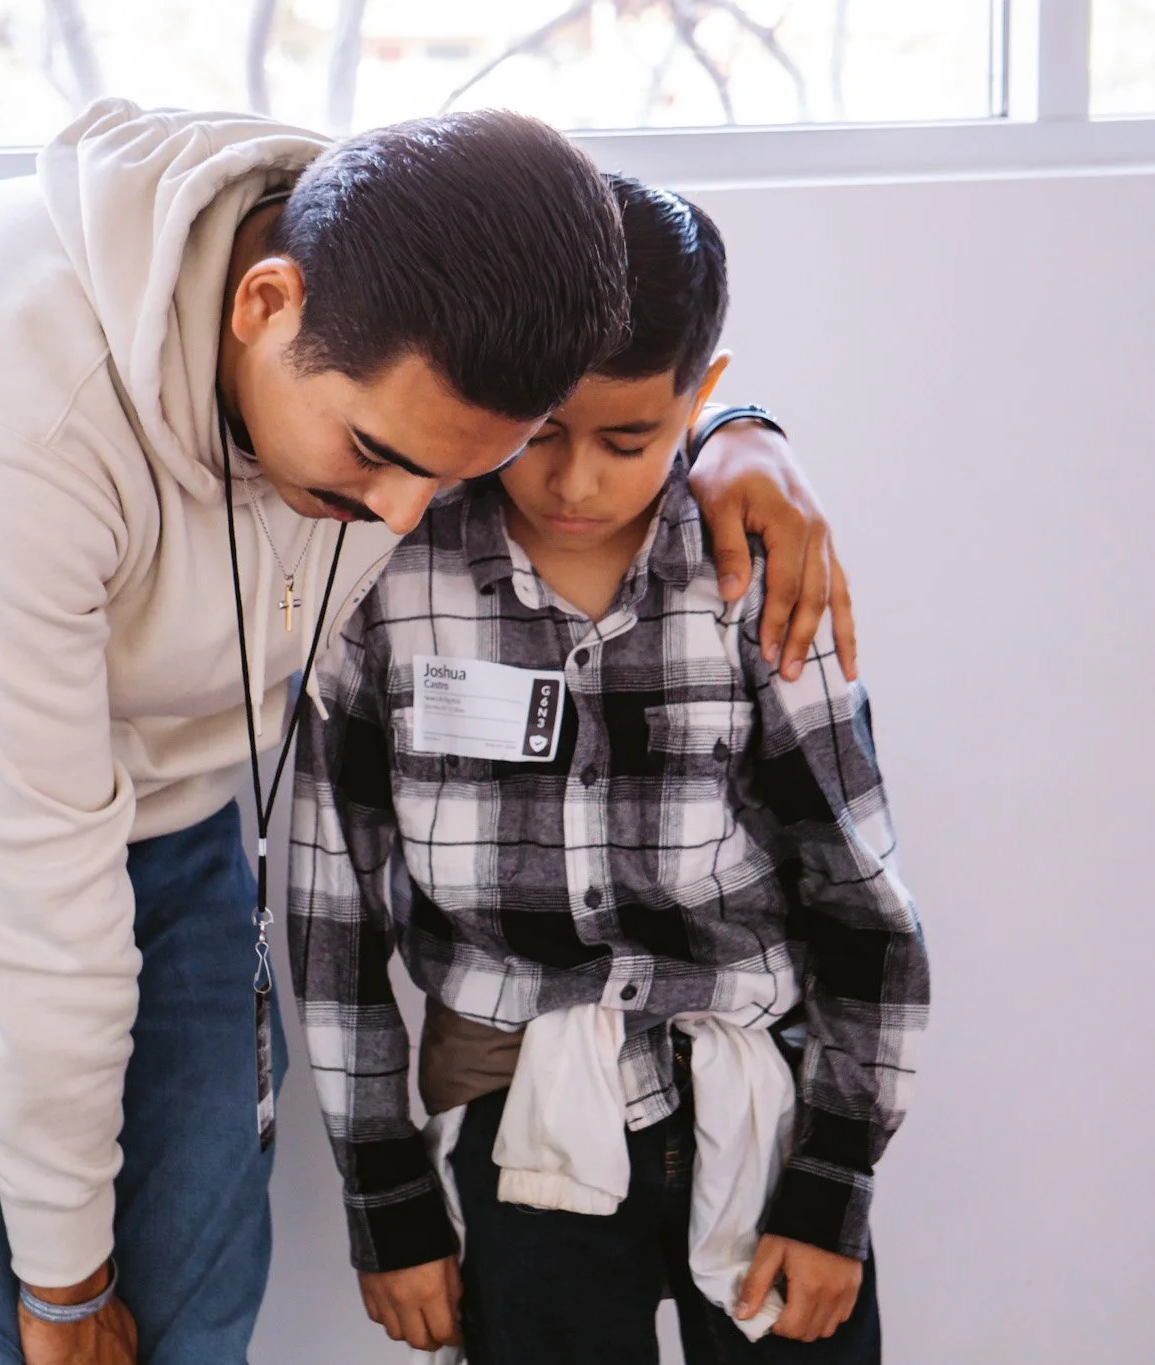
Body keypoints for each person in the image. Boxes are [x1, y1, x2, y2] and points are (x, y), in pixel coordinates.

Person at [0, 99, 857, 1365]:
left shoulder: (409, 264)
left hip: (152, 807)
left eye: (449, 476)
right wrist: (64, 1288)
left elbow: (637, 290)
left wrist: (733, 437)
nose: (395, 516)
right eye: (378, 456)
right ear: (262, 304)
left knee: (192, 1323)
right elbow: (38, 927)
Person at [290, 175, 929, 1364]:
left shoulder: (753, 574)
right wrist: (384, 1195)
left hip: (763, 1121)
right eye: (537, 432)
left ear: (701, 400)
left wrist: (833, 1182)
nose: (574, 482)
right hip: (514, 1121)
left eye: (629, 440)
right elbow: (332, 915)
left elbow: (862, 898)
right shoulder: (385, 582)